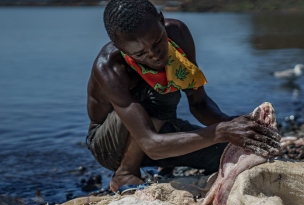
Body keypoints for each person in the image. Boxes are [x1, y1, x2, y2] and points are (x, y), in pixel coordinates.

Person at [86, 0, 281, 192]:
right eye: (141, 53)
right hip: (111, 146)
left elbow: (200, 103)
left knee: (224, 155)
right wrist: (220, 131)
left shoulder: (177, 34)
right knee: (162, 94)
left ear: (161, 20)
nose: (154, 55)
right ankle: (125, 173)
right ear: (120, 47)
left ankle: (166, 164)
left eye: (157, 42)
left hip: (159, 132)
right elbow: (150, 144)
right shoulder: (110, 68)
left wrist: (237, 126)